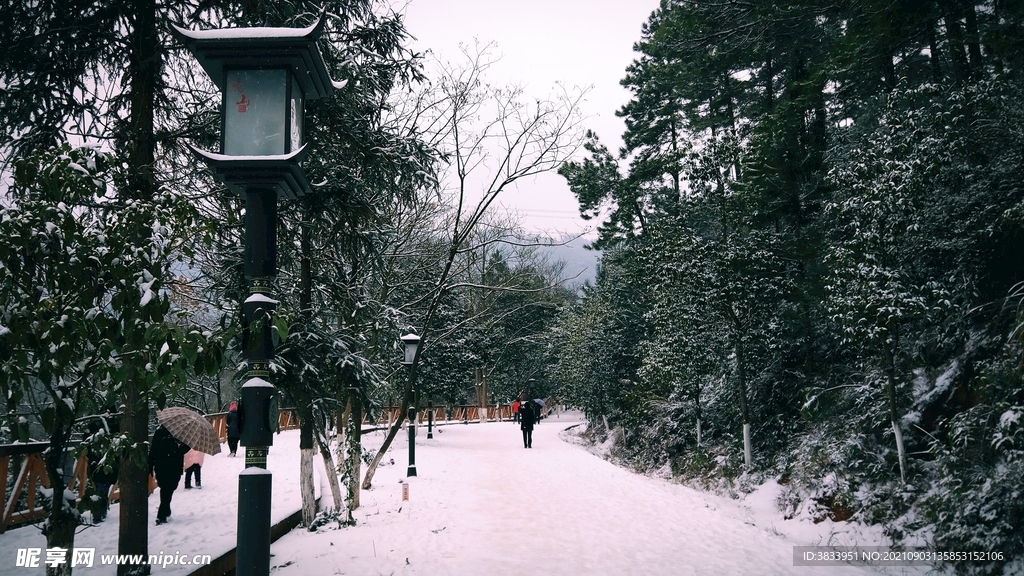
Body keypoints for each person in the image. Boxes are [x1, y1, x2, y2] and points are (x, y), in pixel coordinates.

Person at [148, 425, 191, 525]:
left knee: (166, 488)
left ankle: (166, 509)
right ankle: (161, 515)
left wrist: (151, 465)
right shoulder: (177, 433)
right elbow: (186, 447)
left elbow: (153, 449)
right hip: (170, 465)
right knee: (168, 488)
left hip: (163, 464)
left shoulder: (163, 432)